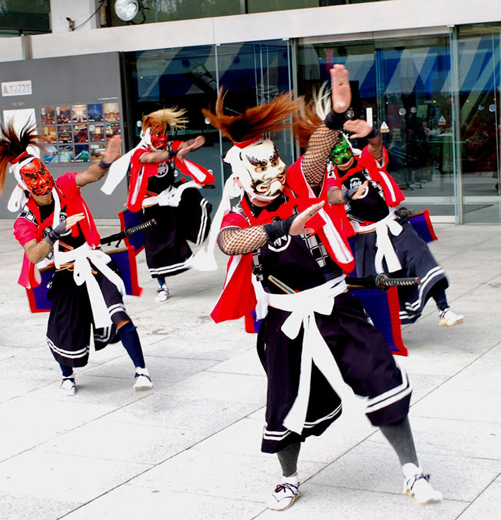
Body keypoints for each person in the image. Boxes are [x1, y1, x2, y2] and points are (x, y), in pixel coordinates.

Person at [201, 65, 442, 511]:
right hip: (284, 320)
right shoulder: (239, 214)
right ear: (241, 176)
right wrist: (280, 228)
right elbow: (230, 242)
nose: (273, 171)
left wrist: (336, 116)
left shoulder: (297, 183)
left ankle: (413, 471)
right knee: (286, 402)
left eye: (274, 160)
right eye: (261, 166)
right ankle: (288, 478)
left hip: (336, 305)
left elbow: (315, 154)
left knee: (379, 376)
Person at [0, 123, 152, 395]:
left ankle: (141, 370)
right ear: (24, 185)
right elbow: (33, 254)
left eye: (42, 172)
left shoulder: (64, 186)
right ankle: (67, 376)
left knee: (118, 313)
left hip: (94, 263)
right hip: (65, 272)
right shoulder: (25, 220)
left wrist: (106, 161)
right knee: (64, 329)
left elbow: (89, 175)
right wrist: (55, 233)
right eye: (33, 178)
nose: (42, 182)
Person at [308, 101, 462, 326]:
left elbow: (376, 148)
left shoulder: (365, 161)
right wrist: (349, 193)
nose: (342, 154)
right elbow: (332, 195)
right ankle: (381, 329)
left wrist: (372, 133)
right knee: (378, 286)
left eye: (343, 146)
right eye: (335, 151)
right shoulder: (330, 177)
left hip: (394, 226)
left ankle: (444, 309)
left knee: (422, 258)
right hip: (366, 239)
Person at [101, 108, 214, 302]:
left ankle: (197, 249)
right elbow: (152, 158)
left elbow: (183, 145)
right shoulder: (141, 152)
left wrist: (193, 144)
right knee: (157, 248)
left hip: (171, 198)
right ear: (147, 133)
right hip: (151, 206)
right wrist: (175, 152)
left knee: (194, 203)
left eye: (162, 132)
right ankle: (162, 286)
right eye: (156, 133)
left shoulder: (168, 145)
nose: (160, 138)